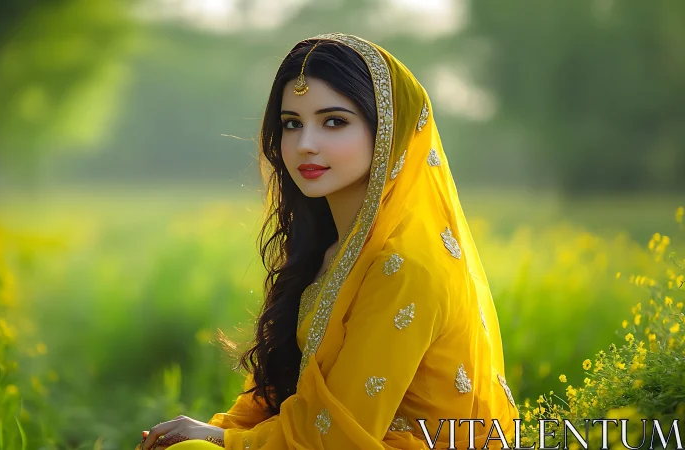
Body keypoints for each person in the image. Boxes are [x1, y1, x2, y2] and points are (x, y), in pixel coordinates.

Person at [139, 32, 519, 450]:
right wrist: (212, 432)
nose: (305, 145)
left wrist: (223, 440)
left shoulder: (406, 266)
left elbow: (339, 435)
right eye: (292, 124)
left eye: (334, 121)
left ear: (387, 132)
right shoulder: (327, 253)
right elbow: (276, 398)